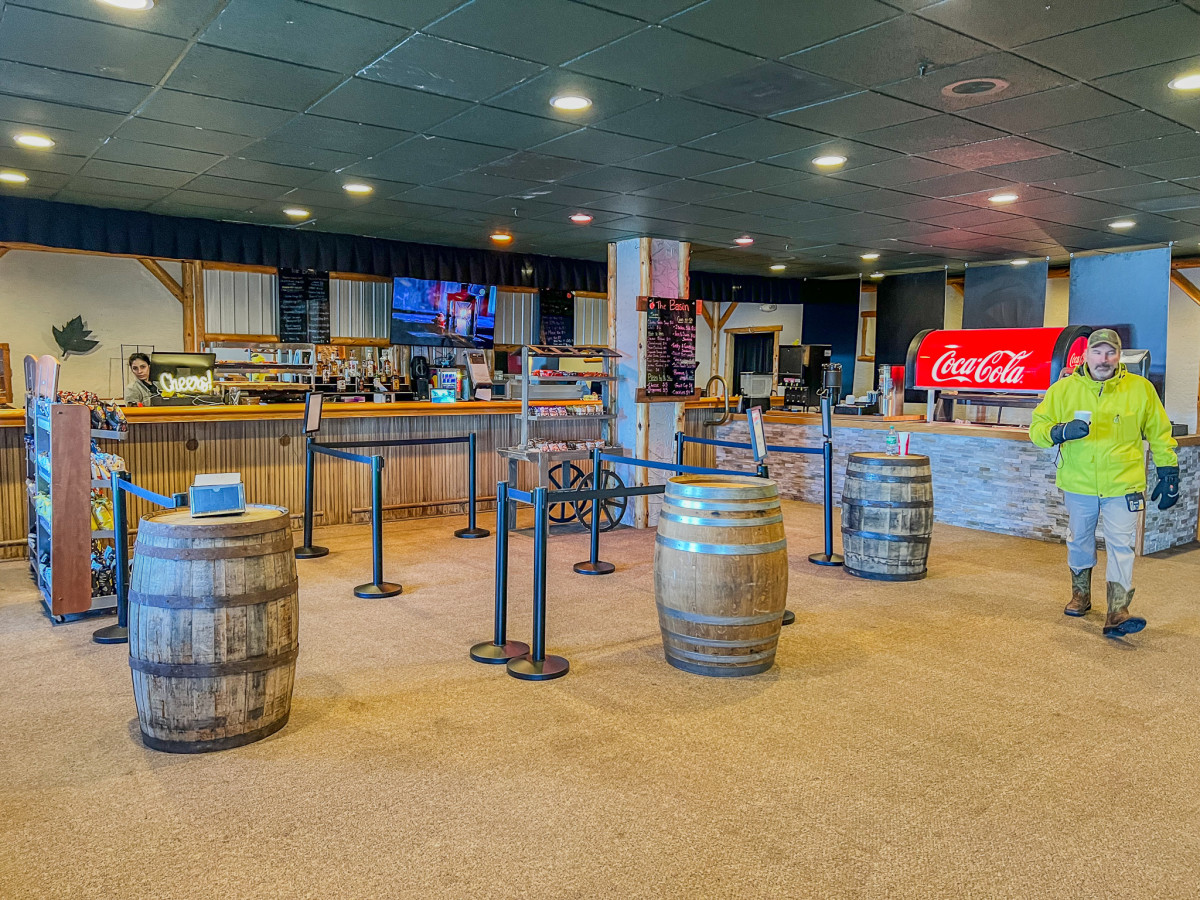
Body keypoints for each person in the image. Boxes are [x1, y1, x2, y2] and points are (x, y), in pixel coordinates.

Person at [1030, 329, 1179, 638]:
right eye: (1097, 352)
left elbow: (1160, 432)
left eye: (1110, 352)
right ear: (1085, 355)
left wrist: (1169, 471)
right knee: (1079, 539)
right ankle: (1081, 594)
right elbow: (1037, 429)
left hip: (1122, 484)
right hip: (1079, 483)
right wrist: (1059, 432)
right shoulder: (1063, 390)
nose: (1104, 359)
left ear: (1118, 356)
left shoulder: (1141, 389)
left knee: (1121, 546)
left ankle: (1118, 610)